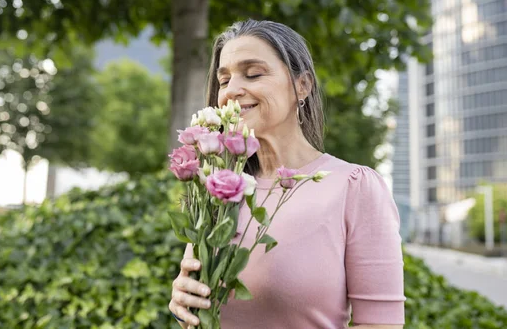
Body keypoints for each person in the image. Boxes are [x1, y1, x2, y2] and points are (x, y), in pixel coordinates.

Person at [168, 19, 405, 329]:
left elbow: (381, 325)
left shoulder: (354, 188)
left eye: (253, 74)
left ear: (302, 85)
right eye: (224, 80)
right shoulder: (215, 189)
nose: (232, 91)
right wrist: (183, 305)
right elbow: (197, 306)